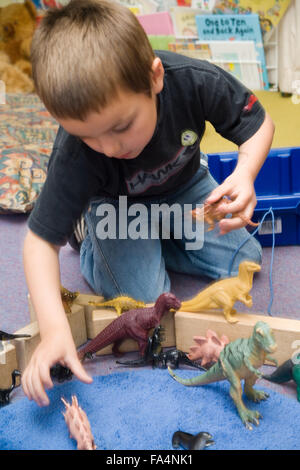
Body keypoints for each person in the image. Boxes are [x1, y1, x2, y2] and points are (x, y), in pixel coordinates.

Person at [21, 0, 275, 407]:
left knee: (245, 257)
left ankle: (158, 233)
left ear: (154, 77)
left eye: (121, 126)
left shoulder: (192, 80)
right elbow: (38, 244)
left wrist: (244, 176)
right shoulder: (76, 154)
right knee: (145, 302)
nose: (108, 148)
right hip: (114, 208)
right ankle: (88, 236)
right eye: (90, 137)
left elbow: (259, 124)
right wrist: (54, 331)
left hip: (185, 187)